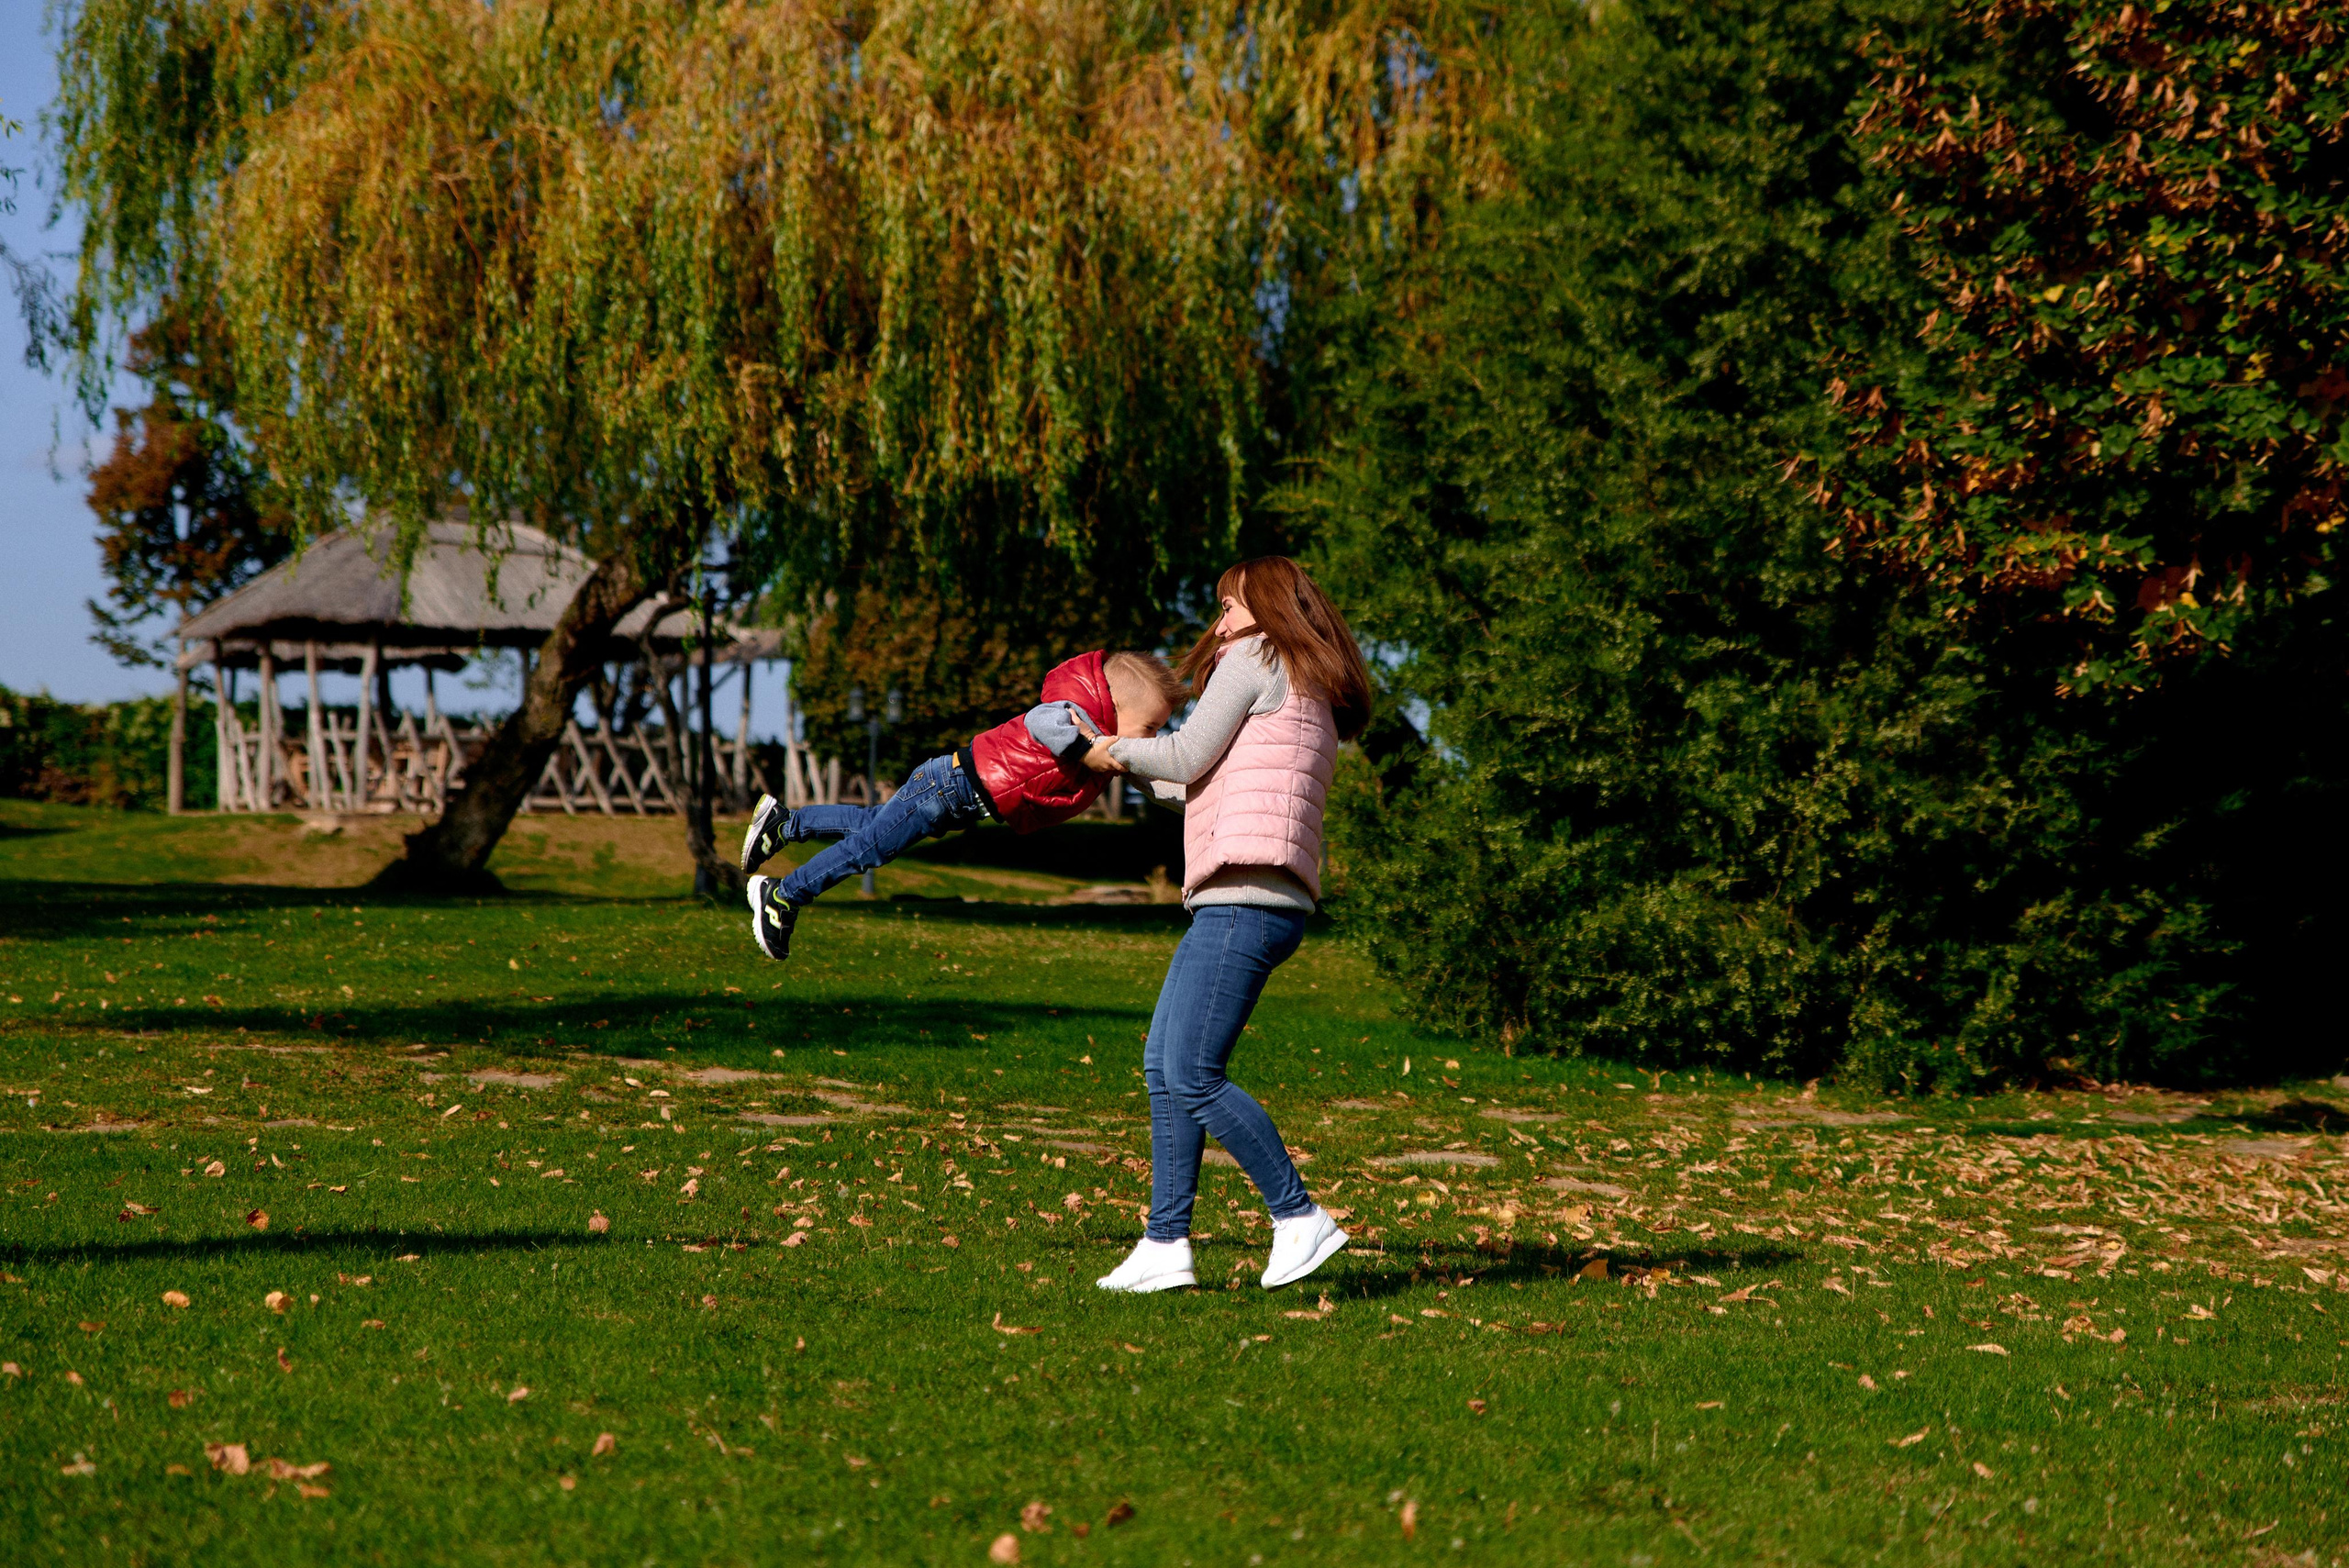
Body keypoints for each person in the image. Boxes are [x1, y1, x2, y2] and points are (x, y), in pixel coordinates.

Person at [1083, 557, 1373, 1293]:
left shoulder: (1256, 655)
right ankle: (1164, 1244)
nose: (1218, 624)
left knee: (1190, 1071)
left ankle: (1298, 1215)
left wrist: (1108, 748)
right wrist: (1120, 765)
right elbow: (1190, 779)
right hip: (1259, 899)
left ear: (1268, 605)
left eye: (1229, 606)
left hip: (1244, 896)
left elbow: (1181, 751)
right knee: (1163, 1065)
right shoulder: (1307, 683)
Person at [739, 651, 1184, 960]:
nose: (1152, 739)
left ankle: (784, 824)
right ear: (1113, 705)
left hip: (950, 794)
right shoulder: (1074, 716)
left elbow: (1151, 779)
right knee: (869, 849)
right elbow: (1040, 720)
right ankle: (782, 894)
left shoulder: (1106, 750)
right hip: (949, 787)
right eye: (1149, 727)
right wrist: (1086, 750)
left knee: (869, 824)